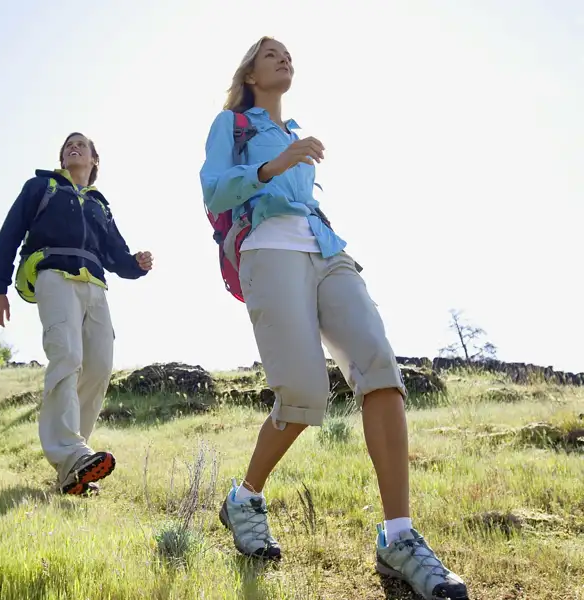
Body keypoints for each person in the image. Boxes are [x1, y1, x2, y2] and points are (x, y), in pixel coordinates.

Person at [199, 37, 468, 600]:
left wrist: (289, 157)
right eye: (270, 53)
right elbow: (214, 187)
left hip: (327, 249)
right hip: (267, 252)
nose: (284, 58)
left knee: (379, 368)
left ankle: (398, 536)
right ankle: (244, 497)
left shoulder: (294, 130)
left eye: (288, 53)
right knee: (304, 392)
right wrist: (273, 166)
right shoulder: (233, 124)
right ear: (249, 71)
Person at [0, 132, 153, 496]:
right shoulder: (41, 187)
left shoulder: (99, 205)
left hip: (95, 285)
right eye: (68, 145)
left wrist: (136, 265)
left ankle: (74, 468)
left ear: (95, 160)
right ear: (63, 158)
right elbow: (9, 234)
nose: (73, 148)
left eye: (81, 145)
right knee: (68, 357)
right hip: (53, 277)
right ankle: (70, 454)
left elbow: (116, 254)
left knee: (98, 366)